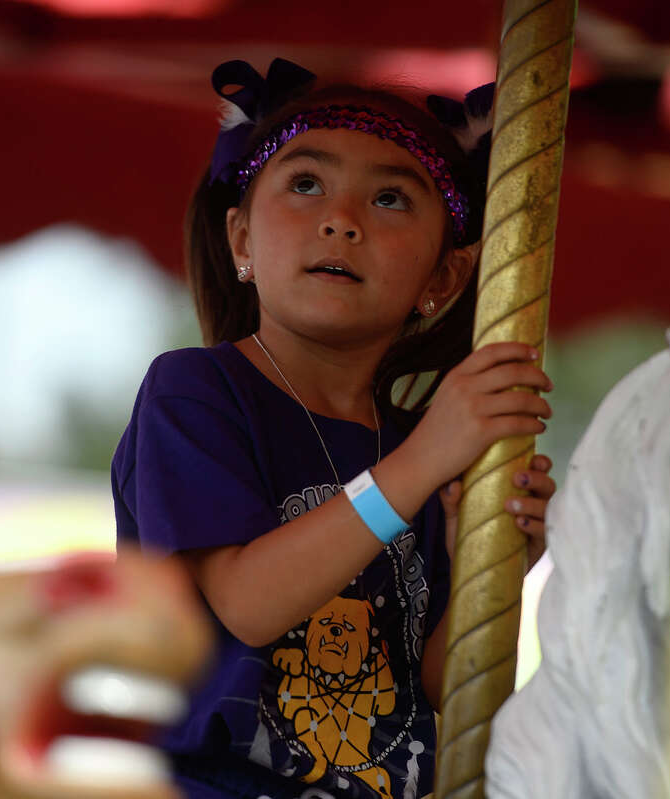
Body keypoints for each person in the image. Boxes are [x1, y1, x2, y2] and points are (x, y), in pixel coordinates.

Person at [112, 58, 556, 799]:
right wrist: (422, 462)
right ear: (242, 240)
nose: (341, 218)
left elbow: (443, 684)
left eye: (389, 199)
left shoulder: (421, 440)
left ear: (441, 281)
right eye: (307, 184)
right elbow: (246, 602)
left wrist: (491, 562)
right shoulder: (197, 394)